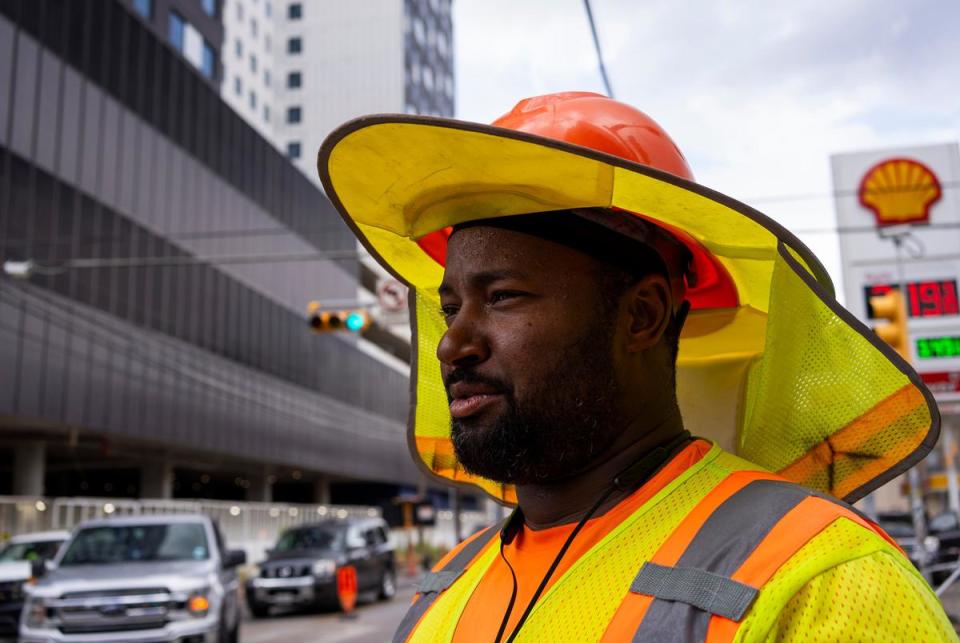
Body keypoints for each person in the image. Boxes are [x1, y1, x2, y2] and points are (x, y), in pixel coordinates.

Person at [317, 92, 956, 641]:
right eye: (450, 306)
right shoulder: (444, 589)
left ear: (642, 314)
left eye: (503, 296)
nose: (452, 345)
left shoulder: (820, 577)